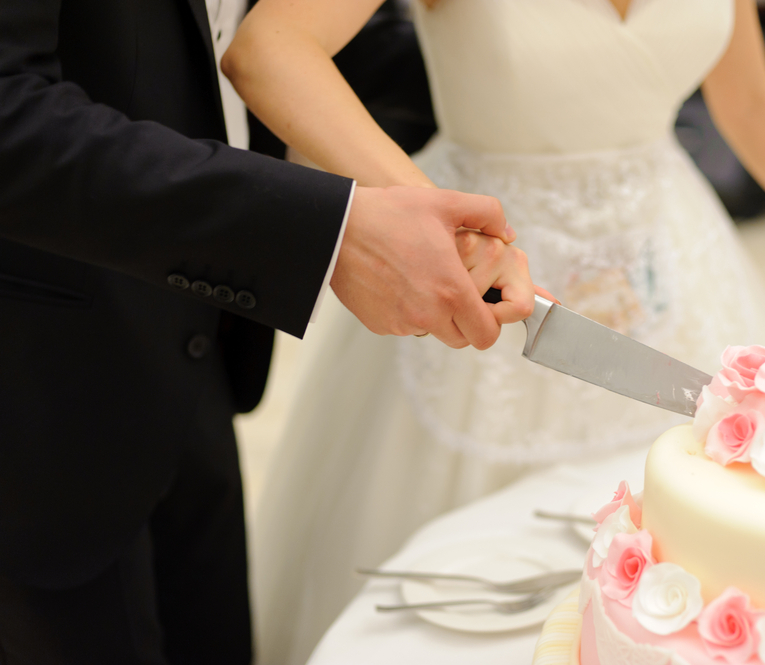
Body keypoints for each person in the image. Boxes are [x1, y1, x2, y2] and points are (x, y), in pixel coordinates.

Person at [223, 0, 765, 661]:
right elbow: (271, 49)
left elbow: (749, 99)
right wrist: (431, 217)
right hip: (486, 278)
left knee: (676, 581)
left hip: (674, 272)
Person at [0, 0, 538, 662]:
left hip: (193, 345)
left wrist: (520, 71)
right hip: (41, 384)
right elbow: (10, 117)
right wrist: (324, 233)